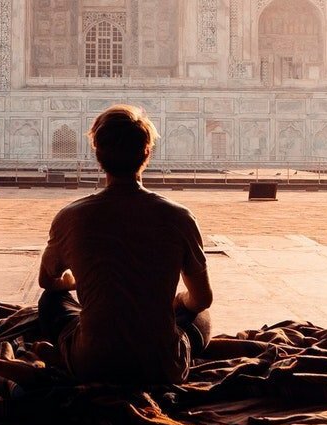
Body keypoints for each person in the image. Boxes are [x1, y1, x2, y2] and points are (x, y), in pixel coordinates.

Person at [37, 105, 214, 385]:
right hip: (161, 367)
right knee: (199, 313)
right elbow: (202, 299)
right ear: (147, 152)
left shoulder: (71, 216)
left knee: (51, 301)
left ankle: (72, 347)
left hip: (92, 364)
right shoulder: (178, 216)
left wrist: (74, 283)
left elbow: (47, 281)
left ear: (98, 155)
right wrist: (179, 300)